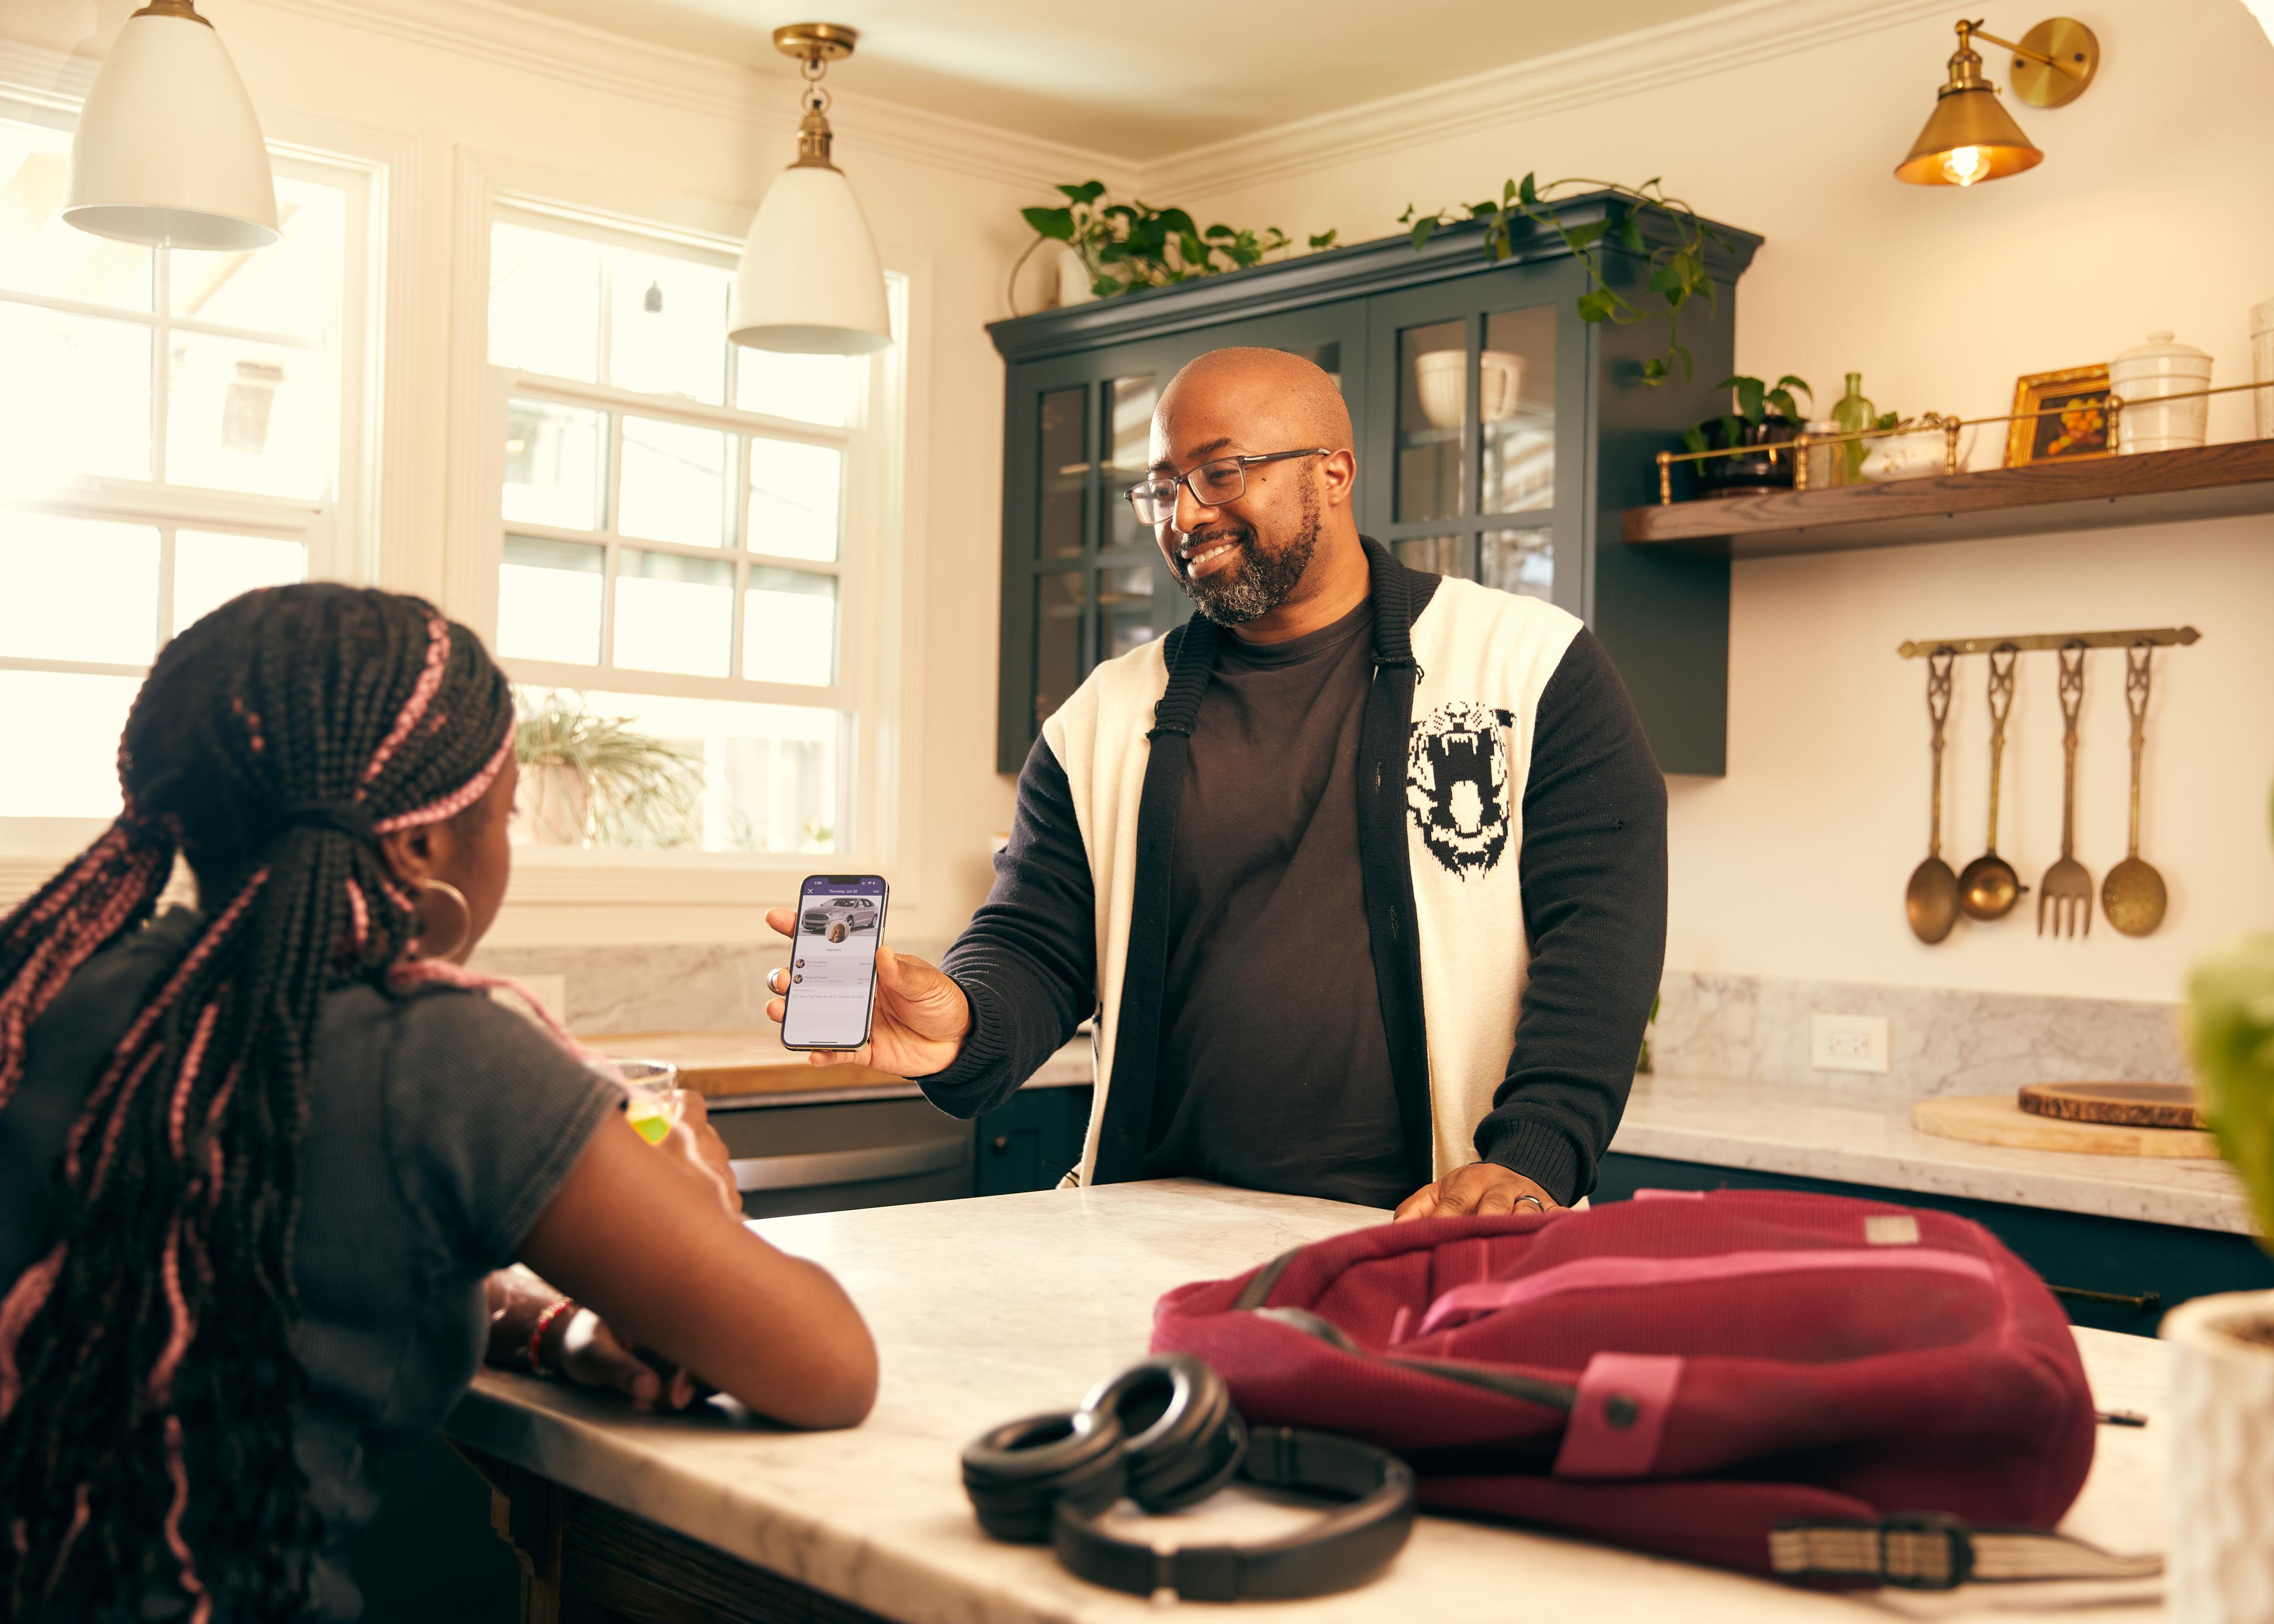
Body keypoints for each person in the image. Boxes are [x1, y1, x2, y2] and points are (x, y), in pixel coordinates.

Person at [0, 586, 875, 1624]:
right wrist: (689, 1192)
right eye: (504, 815)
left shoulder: (53, 983)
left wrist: (555, 1333)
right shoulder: (440, 1051)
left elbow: (284, 1266)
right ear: (419, 849)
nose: (509, 842)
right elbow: (826, 1366)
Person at [764, 346, 1665, 1222]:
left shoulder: (1531, 668)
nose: (1185, 516)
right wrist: (959, 1021)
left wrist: (1532, 1155)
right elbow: (1035, 943)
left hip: (1437, 1229)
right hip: (1156, 1225)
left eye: (1221, 474)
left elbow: (1599, 938)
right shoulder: (1098, 723)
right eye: (1161, 487)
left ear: (1335, 473)